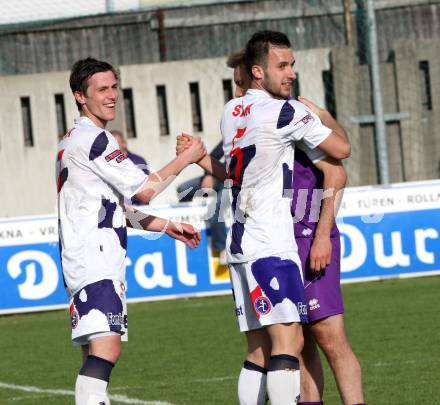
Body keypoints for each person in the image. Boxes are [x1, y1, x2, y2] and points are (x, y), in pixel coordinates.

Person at [178, 31, 350, 404]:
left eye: (292, 65)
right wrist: (316, 113)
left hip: (241, 244)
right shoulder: (286, 111)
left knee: (258, 349)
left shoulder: (230, 110)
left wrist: (200, 158)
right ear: (258, 72)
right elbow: (342, 149)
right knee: (288, 343)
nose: (291, 74)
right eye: (282, 66)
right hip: (271, 242)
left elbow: (232, 171)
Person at [57, 57, 206, 405]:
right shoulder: (96, 139)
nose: (111, 96)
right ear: (80, 96)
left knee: (95, 350)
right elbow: (144, 191)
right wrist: (186, 159)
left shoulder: (70, 140)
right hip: (95, 258)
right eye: (101, 89)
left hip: (84, 256)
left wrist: (167, 227)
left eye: (114, 87)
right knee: (106, 350)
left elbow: (115, 208)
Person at [227, 49, 365, 405]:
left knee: (329, 337)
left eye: (239, 79)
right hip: (276, 241)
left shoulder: (293, 114)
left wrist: (322, 236)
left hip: (307, 235)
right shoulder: (254, 117)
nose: (238, 88)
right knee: (297, 344)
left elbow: (337, 169)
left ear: (254, 74)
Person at [176, 141, 228, 264]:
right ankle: (188, 226)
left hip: (236, 183)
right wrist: (208, 175)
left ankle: (222, 248)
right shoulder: (231, 133)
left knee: (214, 209)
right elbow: (213, 156)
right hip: (219, 176)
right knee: (182, 190)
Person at [112, 129, 149, 205]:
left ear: (124, 143)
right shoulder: (107, 163)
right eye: (110, 144)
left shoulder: (138, 161)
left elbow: (145, 186)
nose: (112, 147)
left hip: (138, 207)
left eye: (115, 143)